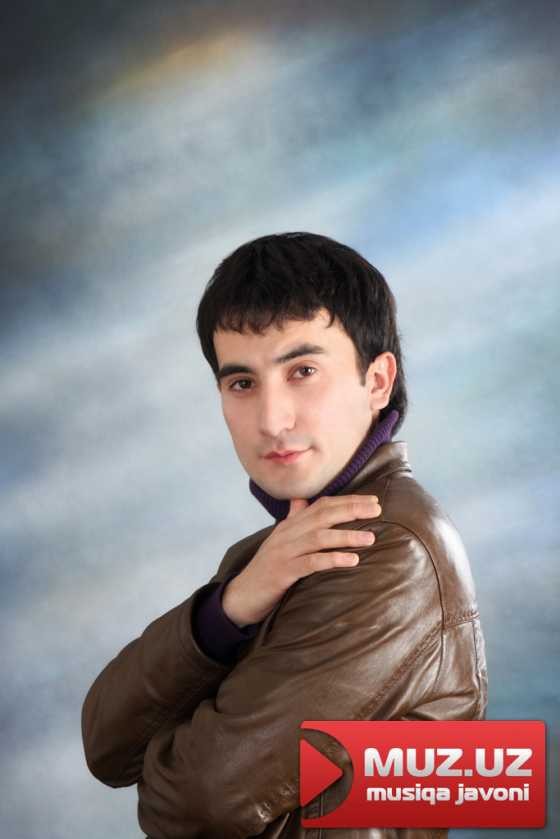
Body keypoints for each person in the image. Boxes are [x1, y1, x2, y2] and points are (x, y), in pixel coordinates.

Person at [81, 231, 488, 838]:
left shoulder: (389, 546)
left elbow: (197, 802)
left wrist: (165, 754)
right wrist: (228, 609)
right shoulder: (272, 555)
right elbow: (105, 748)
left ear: (377, 382)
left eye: (303, 371)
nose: (272, 420)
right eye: (242, 383)